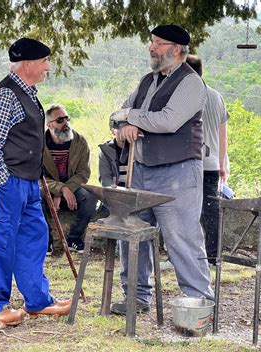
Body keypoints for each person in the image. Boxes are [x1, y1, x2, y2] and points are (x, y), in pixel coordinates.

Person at [109, 24, 214, 315]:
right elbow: (117, 115)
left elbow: (168, 121)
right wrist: (122, 124)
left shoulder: (191, 83)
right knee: (133, 234)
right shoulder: (147, 81)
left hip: (178, 173)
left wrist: (130, 117)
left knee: (182, 238)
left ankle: (199, 305)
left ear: (176, 49)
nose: (151, 48)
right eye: (152, 42)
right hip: (140, 169)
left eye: (158, 43)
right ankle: (136, 298)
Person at [0, 37, 71, 327]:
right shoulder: (7, 94)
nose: (47, 67)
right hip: (6, 181)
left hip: (28, 181)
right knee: (1, 241)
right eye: (44, 61)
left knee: (34, 238)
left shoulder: (28, 91)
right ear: (28, 64)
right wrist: (2, 179)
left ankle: (38, 301)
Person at [186, 55, 230, 265]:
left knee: (186, 210)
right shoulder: (216, 96)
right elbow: (223, 134)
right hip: (212, 163)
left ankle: (190, 257)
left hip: (189, 162)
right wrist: (222, 164)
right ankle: (213, 256)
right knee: (211, 211)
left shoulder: (188, 97)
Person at [42, 104, 97, 254]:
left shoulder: (80, 142)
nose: (66, 123)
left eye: (67, 119)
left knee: (91, 196)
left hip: (73, 190)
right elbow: (36, 176)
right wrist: (60, 189)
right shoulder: (39, 145)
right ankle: (46, 241)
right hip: (48, 190)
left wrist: (65, 189)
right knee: (31, 195)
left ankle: (74, 238)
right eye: (60, 120)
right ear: (49, 124)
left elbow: (83, 173)